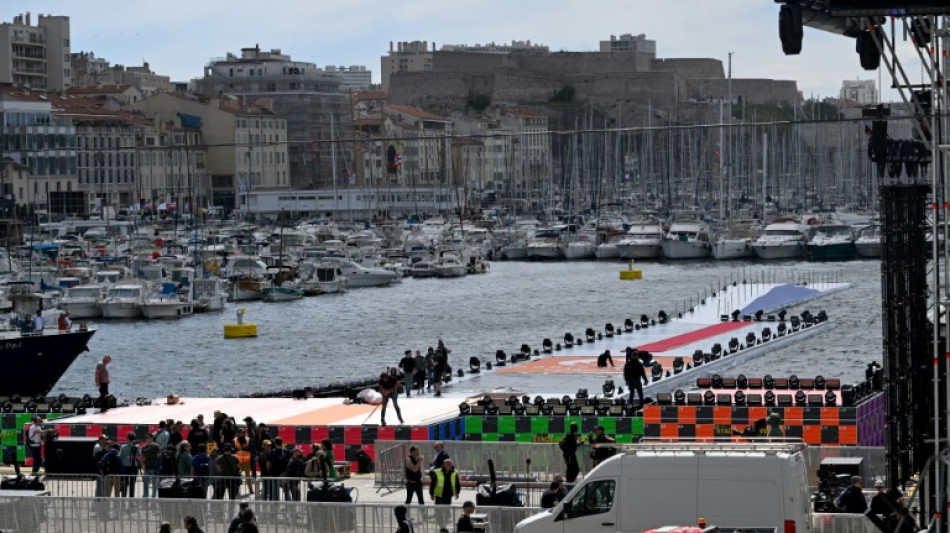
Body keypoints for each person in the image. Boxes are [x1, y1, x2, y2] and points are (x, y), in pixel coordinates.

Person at [119, 432, 141, 497]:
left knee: (125, 482)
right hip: (134, 467)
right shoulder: (137, 446)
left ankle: (123, 496)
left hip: (125, 466)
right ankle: (131, 497)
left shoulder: (123, 446)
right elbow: (139, 454)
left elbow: (121, 456)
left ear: (128, 438)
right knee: (132, 483)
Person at [140, 433, 161, 498]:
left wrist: (158, 465)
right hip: (147, 468)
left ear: (152, 438)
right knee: (145, 483)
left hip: (154, 468)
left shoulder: (156, 446)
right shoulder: (143, 447)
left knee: (154, 483)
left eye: (149, 437)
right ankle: (145, 495)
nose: (148, 439)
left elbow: (159, 456)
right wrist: (142, 465)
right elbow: (141, 457)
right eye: (147, 438)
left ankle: (153, 496)